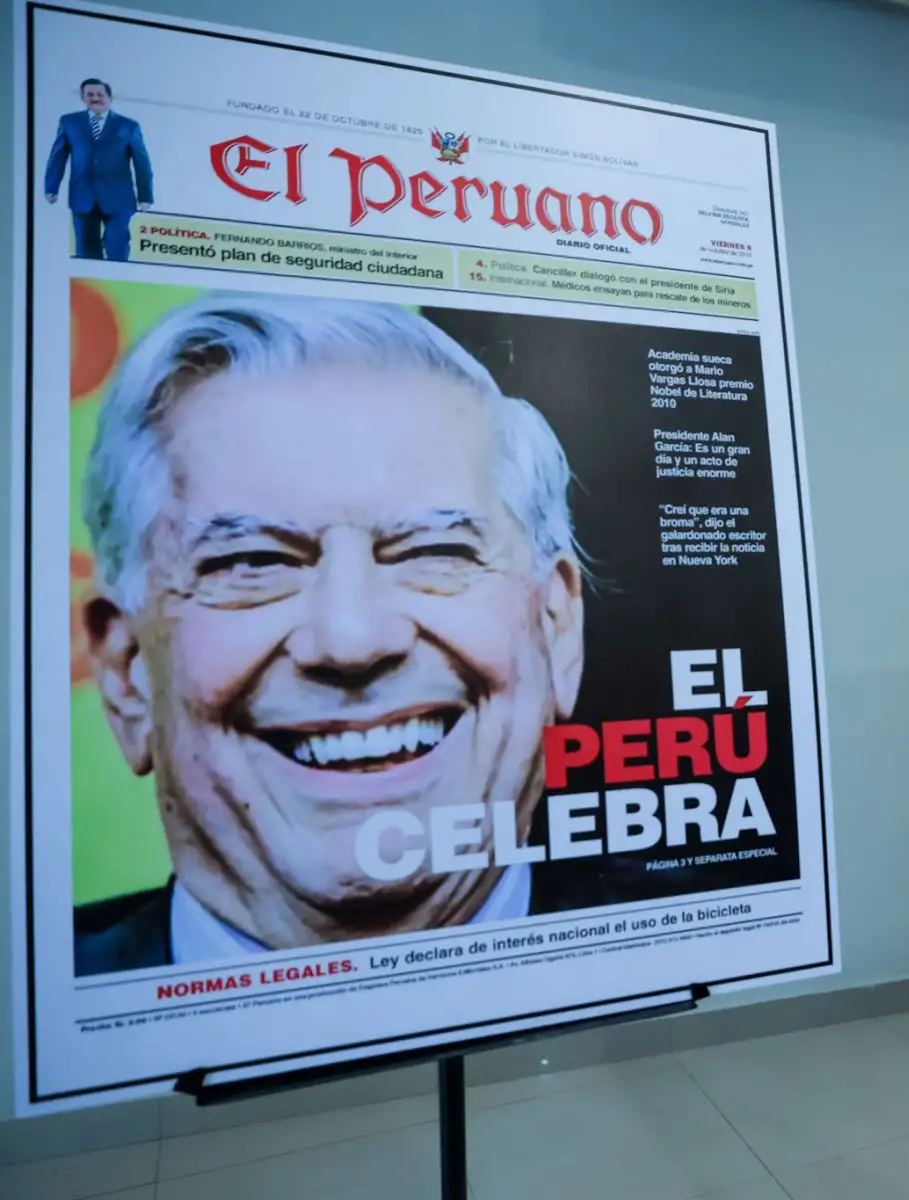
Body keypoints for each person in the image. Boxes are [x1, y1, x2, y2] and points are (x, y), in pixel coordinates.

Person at [74, 295, 586, 974]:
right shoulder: (29, 1005)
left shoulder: (688, 940)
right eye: (252, 562)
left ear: (556, 629)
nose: (352, 640)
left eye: (434, 551)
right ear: (126, 670)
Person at [44, 78, 154, 262]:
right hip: (83, 196)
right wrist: (51, 187)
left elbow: (141, 162)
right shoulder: (70, 122)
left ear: (109, 98)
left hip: (119, 198)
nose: (95, 98)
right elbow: (58, 156)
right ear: (83, 98)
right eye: (90, 95)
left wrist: (145, 195)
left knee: (117, 247)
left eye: (100, 94)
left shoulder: (128, 126)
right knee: (87, 252)